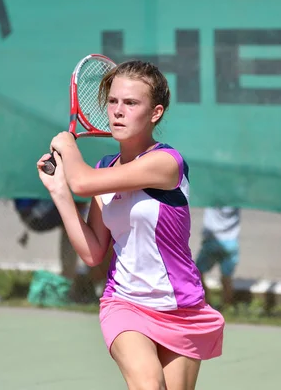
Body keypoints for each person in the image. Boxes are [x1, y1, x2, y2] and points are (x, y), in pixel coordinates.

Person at [37, 60, 224, 389]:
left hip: (182, 306)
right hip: (125, 303)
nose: (118, 111)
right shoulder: (103, 169)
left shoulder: (167, 163)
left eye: (131, 103)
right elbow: (95, 251)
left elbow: (82, 182)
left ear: (155, 113)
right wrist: (59, 193)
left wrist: (67, 148)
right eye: (113, 101)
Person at [195, 207, 241, 311]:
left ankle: (206, 304)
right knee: (227, 277)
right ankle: (228, 307)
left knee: (197, 274)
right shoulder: (236, 197)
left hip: (212, 239)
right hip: (231, 241)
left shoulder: (212, 194)